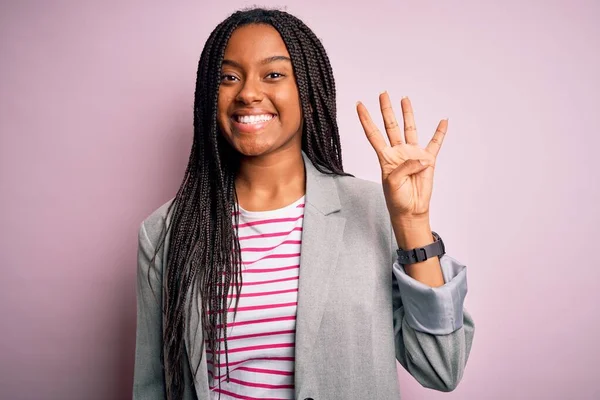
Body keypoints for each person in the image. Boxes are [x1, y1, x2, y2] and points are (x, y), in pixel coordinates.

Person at [133, 7, 474, 400]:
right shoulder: (165, 232)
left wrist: (413, 223)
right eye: (229, 77)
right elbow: (152, 386)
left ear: (308, 92)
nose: (247, 93)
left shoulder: (372, 211)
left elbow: (442, 366)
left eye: (273, 74)